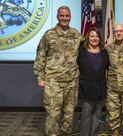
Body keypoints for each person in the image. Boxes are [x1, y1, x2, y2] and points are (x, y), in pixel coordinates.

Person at [33, 6, 84, 136]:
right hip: (53, 81)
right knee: (53, 114)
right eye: (62, 16)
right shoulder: (49, 35)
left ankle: (66, 134)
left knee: (69, 113)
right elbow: (40, 56)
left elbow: (89, 48)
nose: (64, 18)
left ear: (70, 17)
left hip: (71, 81)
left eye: (67, 16)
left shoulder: (76, 35)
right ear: (57, 17)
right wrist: (40, 78)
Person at [77, 27, 109, 136]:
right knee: (86, 115)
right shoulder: (80, 51)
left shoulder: (105, 52)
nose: (94, 38)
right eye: (92, 36)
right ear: (88, 38)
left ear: (100, 38)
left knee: (97, 115)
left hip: (100, 88)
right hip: (86, 88)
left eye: (97, 36)